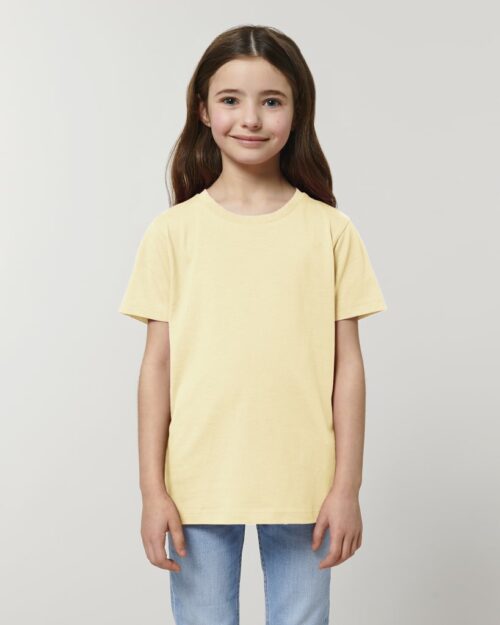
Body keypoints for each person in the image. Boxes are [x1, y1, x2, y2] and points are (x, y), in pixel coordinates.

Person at [118, 24, 388, 625]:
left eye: (271, 101)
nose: (251, 119)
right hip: (196, 482)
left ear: (298, 110)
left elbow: (348, 368)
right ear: (203, 110)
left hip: (306, 484)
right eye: (230, 99)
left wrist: (346, 488)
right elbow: (156, 367)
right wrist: (152, 490)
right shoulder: (172, 233)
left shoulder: (330, 231)